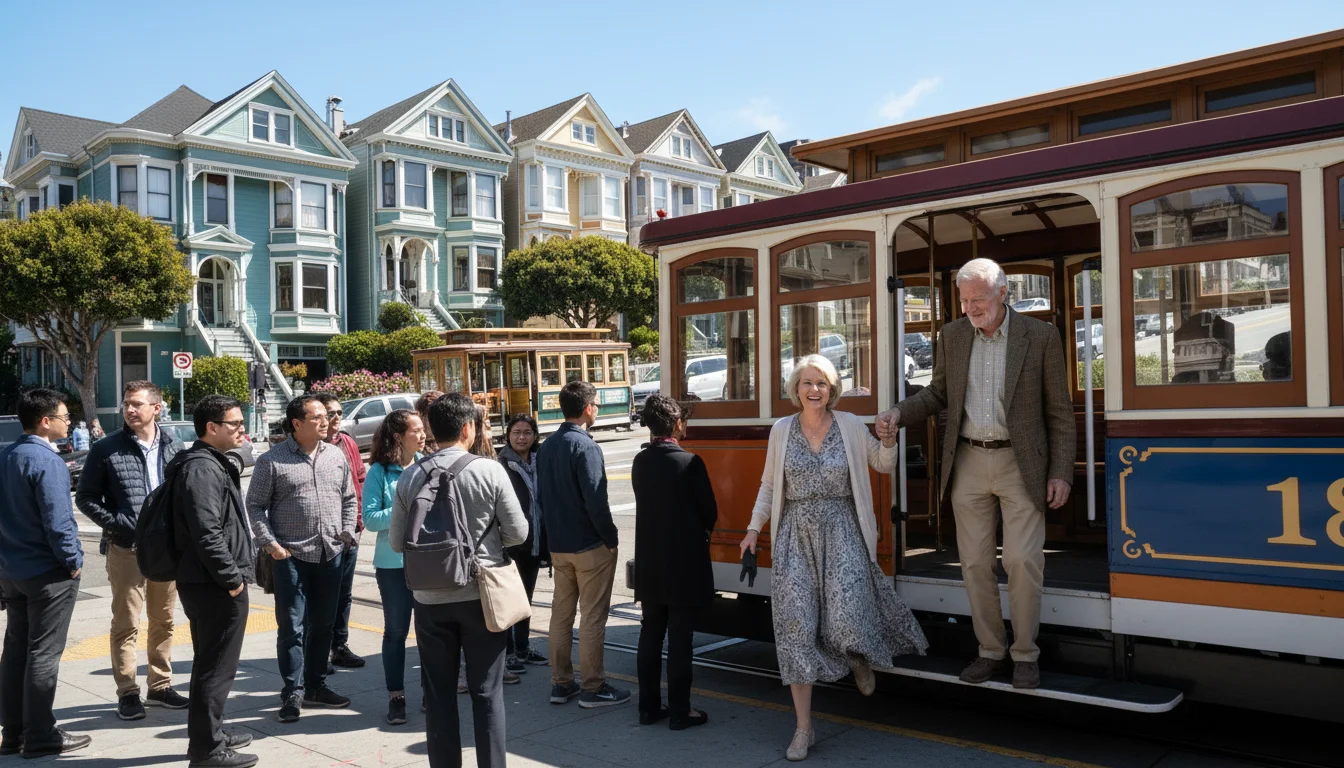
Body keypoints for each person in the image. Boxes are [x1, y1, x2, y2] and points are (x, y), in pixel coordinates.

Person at [877, 257, 1075, 691]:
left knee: (1022, 560)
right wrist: (898, 412)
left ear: (1004, 292)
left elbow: (1059, 411)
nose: (970, 308)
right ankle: (990, 651)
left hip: (1021, 463)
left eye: (978, 298)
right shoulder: (951, 335)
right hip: (967, 460)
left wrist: (1061, 471)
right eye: (964, 300)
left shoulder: (1040, 336)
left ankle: (1025, 654)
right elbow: (936, 393)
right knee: (975, 564)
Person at [742, 355, 927, 762]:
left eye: (822, 383)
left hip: (843, 529)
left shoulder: (848, 426)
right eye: (807, 383)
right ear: (796, 389)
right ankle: (803, 728)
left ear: (832, 389)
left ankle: (856, 653)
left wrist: (891, 441)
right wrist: (754, 529)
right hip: (795, 537)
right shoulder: (781, 430)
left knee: (845, 613)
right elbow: (770, 485)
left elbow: (881, 464)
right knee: (796, 629)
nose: (814, 390)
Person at [390, 393, 527, 768]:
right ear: (468, 428)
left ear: (433, 429)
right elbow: (518, 533)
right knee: (486, 693)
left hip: (430, 599)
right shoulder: (489, 470)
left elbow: (395, 541)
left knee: (438, 694)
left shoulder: (410, 475)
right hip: (481, 596)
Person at [75, 381, 188, 720]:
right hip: (127, 548)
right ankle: (127, 692)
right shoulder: (106, 448)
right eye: (127, 403)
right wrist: (119, 524)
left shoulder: (174, 446)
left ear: (157, 407)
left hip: (165, 550)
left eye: (137, 403)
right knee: (126, 623)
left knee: (164, 620)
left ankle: (160, 686)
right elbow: (85, 498)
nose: (129, 409)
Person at [246, 395, 359, 723]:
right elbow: (254, 506)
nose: (326, 422)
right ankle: (292, 692)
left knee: (323, 624)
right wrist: (271, 545)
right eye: (318, 417)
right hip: (291, 557)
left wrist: (348, 532)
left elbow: (349, 497)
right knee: (292, 628)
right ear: (297, 424)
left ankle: (316, 686)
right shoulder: (273, 460)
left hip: (331, 554)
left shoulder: (335, 455)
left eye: (327, 416)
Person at [0, 389, 90, 758]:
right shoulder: (46, 461)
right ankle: (40, 734)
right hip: (47, 573)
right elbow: (58, 522)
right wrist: (72, 561)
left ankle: (13, 734)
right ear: (45, 421)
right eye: (65, 417)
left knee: (16, 649)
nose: (68, 423)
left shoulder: (6, 456)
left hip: (12, 571)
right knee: (43, 653)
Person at [171, 395, 257, 768]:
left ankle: (212, 732)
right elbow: (207, 532)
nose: (243, 430)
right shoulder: (201, 469)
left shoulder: (207, 464)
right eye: (236, 424)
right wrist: (231, 579)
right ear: (212, 427)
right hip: (214, 585)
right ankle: (207, 750)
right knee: (216, 666)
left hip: (210, 582)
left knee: (212, 662)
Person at [536, 380, 630, 708]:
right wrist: (611, 539)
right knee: (592, 616)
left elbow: (540, 499)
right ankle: (593, 685)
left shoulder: (547, 446)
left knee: (561, 614)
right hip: (589, 546)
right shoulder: (586, 446)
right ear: (588, 408)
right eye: (596, 404)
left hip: (559, 546)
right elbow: (596, 500)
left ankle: (561, 683)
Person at [633, 395, 716, 730]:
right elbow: (709, 512)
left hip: (650, 564)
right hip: (683, 565)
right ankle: (681, 711)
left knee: (651, 634)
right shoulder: (690, 462)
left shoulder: (640, 461)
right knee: (680, 639)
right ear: (677, 423)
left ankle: (648, 707)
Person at [362, 409, 425, 725]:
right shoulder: (378, 472)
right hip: (392, 564)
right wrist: (406, 508)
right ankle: (396, 697)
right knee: (396, 632)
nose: (423, 433)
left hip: (428, 561)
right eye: (416, 429)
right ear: (399, 436)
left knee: (431, 631)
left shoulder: (427, 464)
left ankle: (433, 691)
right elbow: (371, 519)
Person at [314, 392, 368, 672]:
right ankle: (318, 652)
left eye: (338, 413)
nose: (335, 419)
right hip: (322, 537)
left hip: (350, 533)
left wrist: (357, 523)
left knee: (344, 594)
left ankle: (339, 646)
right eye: (329, 414)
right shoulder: (310, 448)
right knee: (322, 596)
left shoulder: (346, 442)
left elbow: (359, 479)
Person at [498, 413, 549, 675]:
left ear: (535, 435)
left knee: (526, 599)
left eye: (527, 432)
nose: (521, 437)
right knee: (509, 600)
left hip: (535, 541)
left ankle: (523, 647)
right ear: (508, 435)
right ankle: (507, 653)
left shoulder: (543, 461)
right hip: (510, 544)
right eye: (516, 432)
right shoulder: (501, 464)